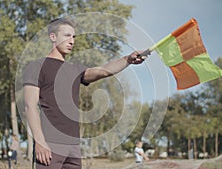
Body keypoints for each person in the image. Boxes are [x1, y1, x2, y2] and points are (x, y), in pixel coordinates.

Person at [23, 17, 148, 169]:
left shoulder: (75, 69)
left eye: (73, 37)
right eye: (67, 35)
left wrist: (128, 59)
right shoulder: (36, 66)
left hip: (73, 146)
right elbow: (30, 106)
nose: (72, 41)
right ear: (53, 37)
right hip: (50, 144)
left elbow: (102, 71)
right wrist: (40, 142)